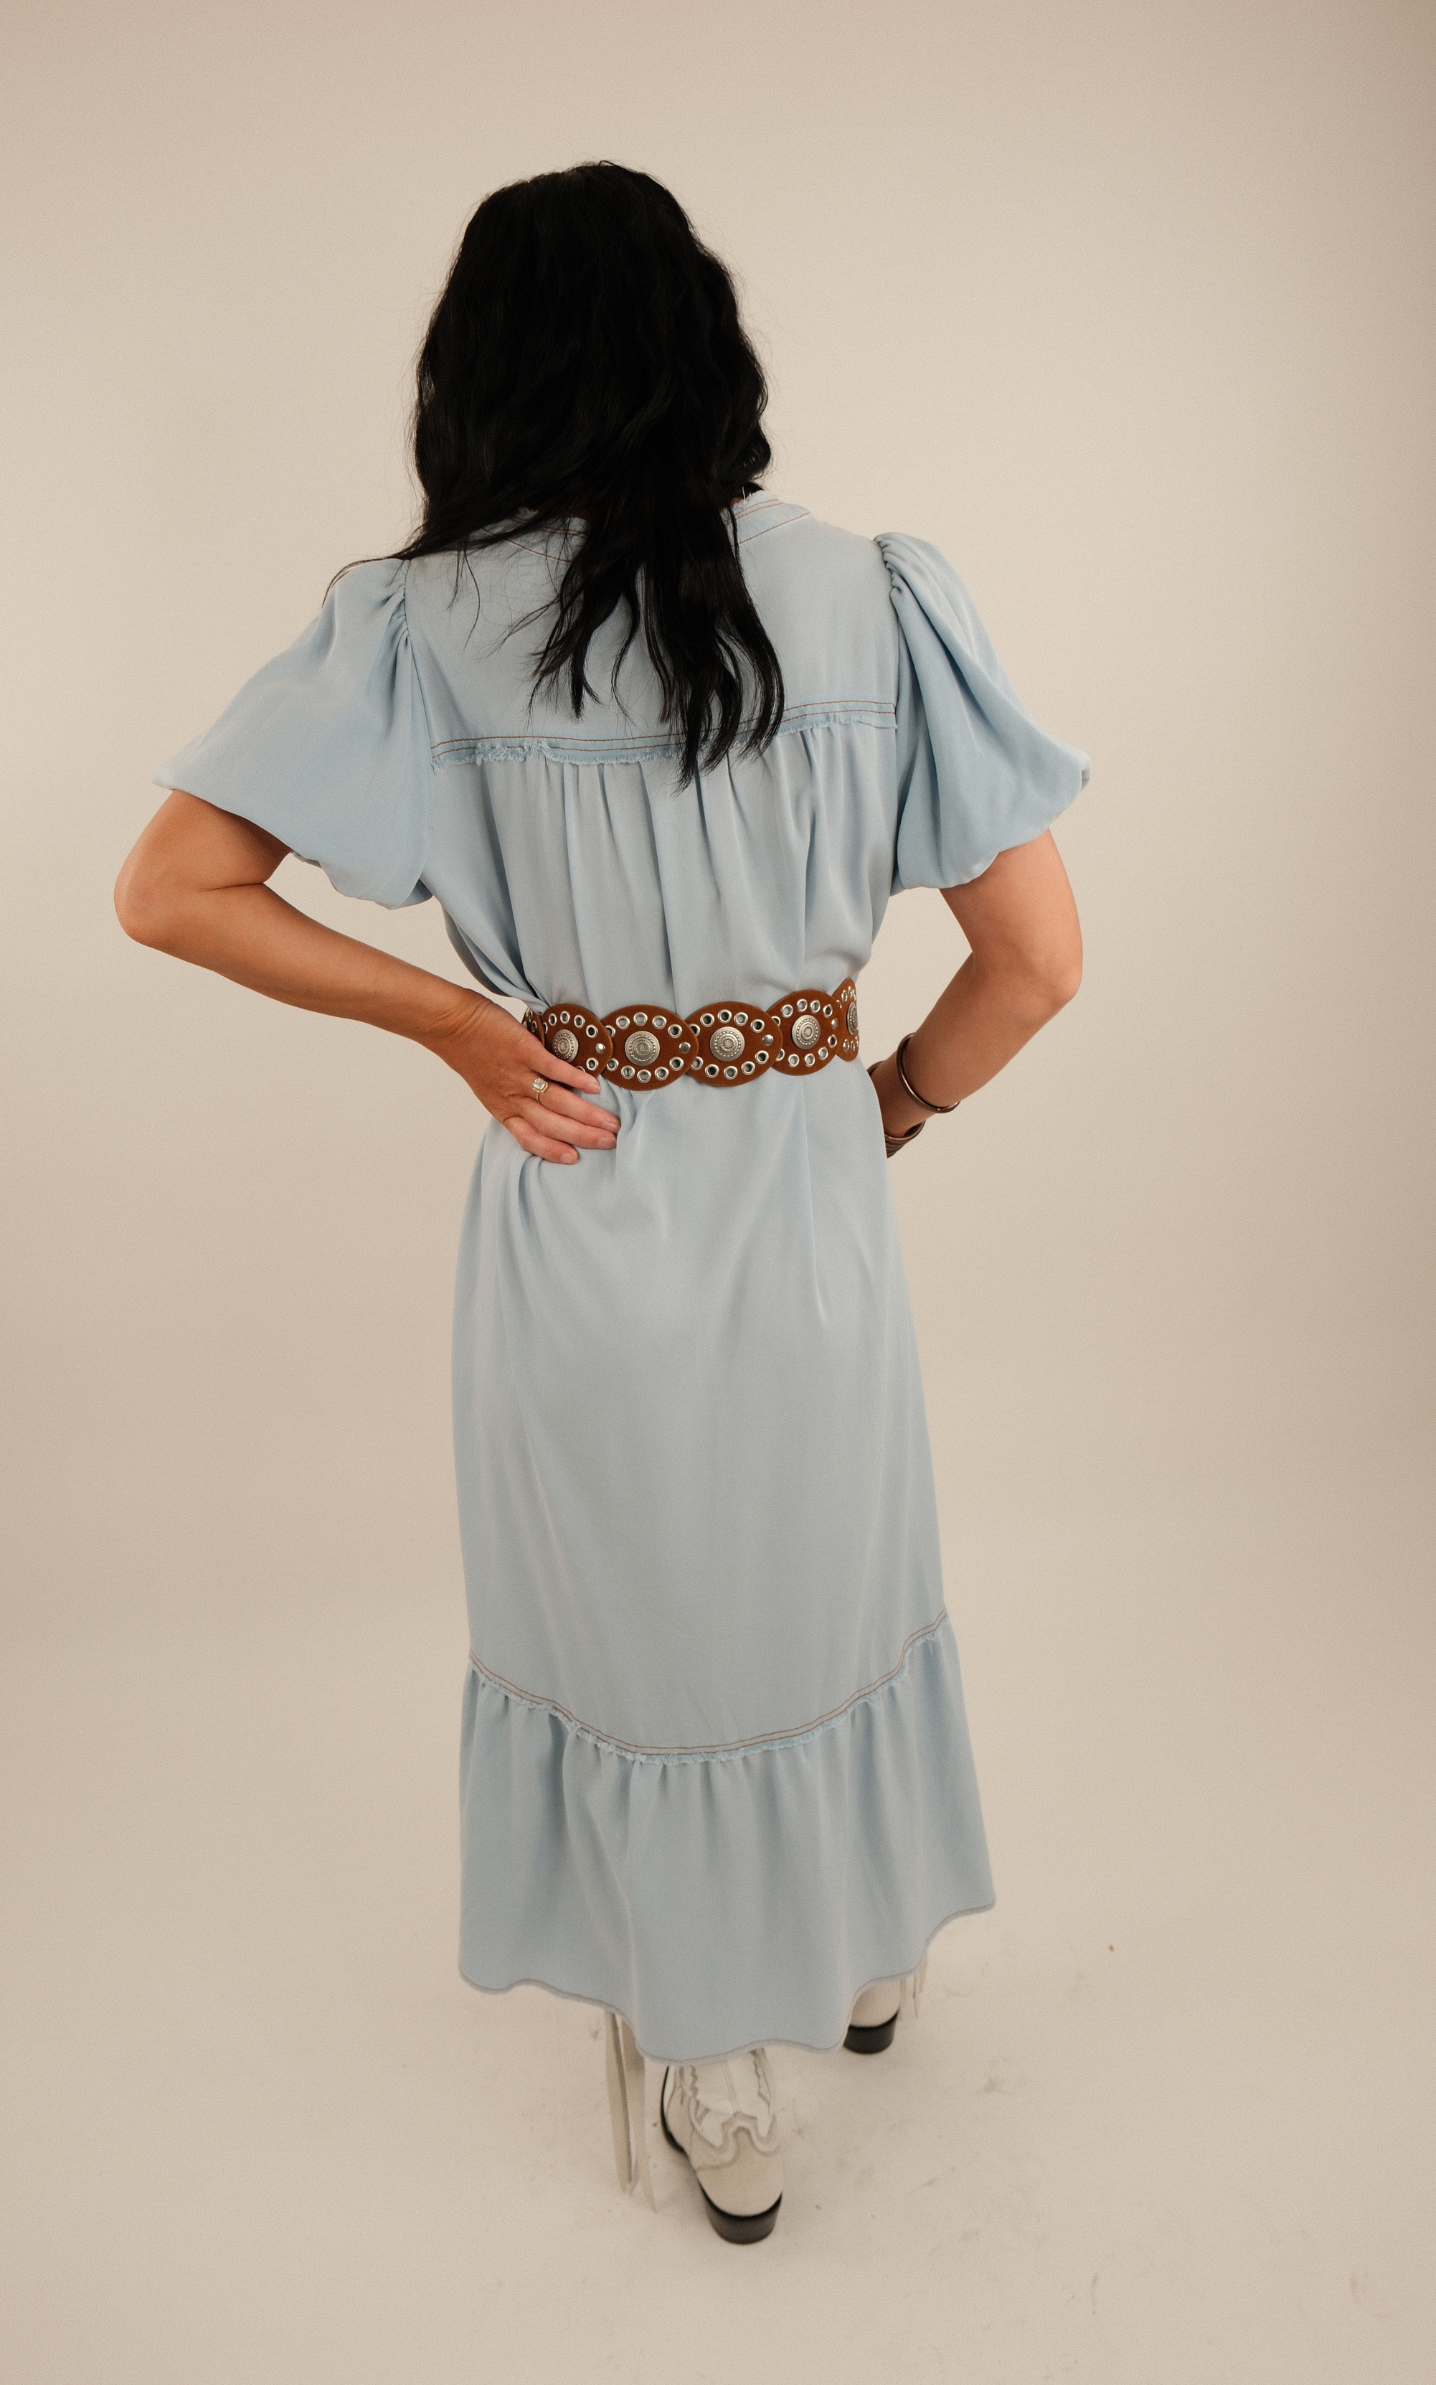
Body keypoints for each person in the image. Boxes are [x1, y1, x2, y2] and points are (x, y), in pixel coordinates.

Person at [116, 161, 1089, 2246]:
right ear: (705, 345)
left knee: (647, 1626)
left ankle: (712, 2060)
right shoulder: (876, 590)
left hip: (583, 1206)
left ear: (477, 372)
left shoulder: (418, 626)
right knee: (829, 1578)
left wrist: (466, 1033)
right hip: (814, 1208)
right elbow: (1038, 963)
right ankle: (858, 1945)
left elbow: (168, 893)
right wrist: (886, 1104)